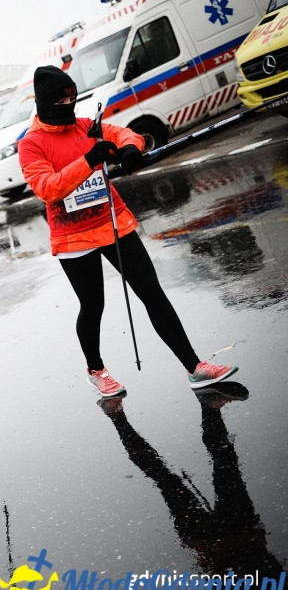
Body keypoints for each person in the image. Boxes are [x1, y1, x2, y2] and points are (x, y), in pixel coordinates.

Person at [18, 65, 238, 398]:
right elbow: (48, 188)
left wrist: (131, 147)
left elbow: (121, 133)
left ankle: (195, 368)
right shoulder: (31, 144)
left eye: (73, 98)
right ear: (47, 103)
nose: (70, 105)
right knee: (93, 305)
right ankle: (96, 369)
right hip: (73, 237)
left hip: (112, 220)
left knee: (151, 289)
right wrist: (89, 160)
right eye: (62, 101)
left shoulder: (84, 127)